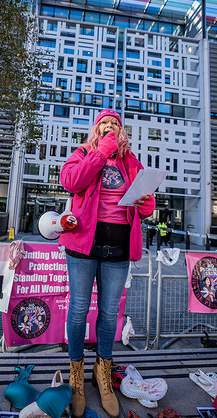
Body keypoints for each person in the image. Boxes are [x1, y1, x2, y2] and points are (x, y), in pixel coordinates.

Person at [58, 109, 155, 418]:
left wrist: (147, 204)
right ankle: (76, 374)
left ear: (122, 131)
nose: (110, 127)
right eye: (105, 124)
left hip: (118, 247)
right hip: (83, 246)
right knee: (78, 309)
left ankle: (103, 374)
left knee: (110, 313)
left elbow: (143, 200)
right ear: (96, 130)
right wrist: (100, 153)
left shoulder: (132, 162)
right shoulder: (84, 152)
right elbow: (71, 181)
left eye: (115, 124)